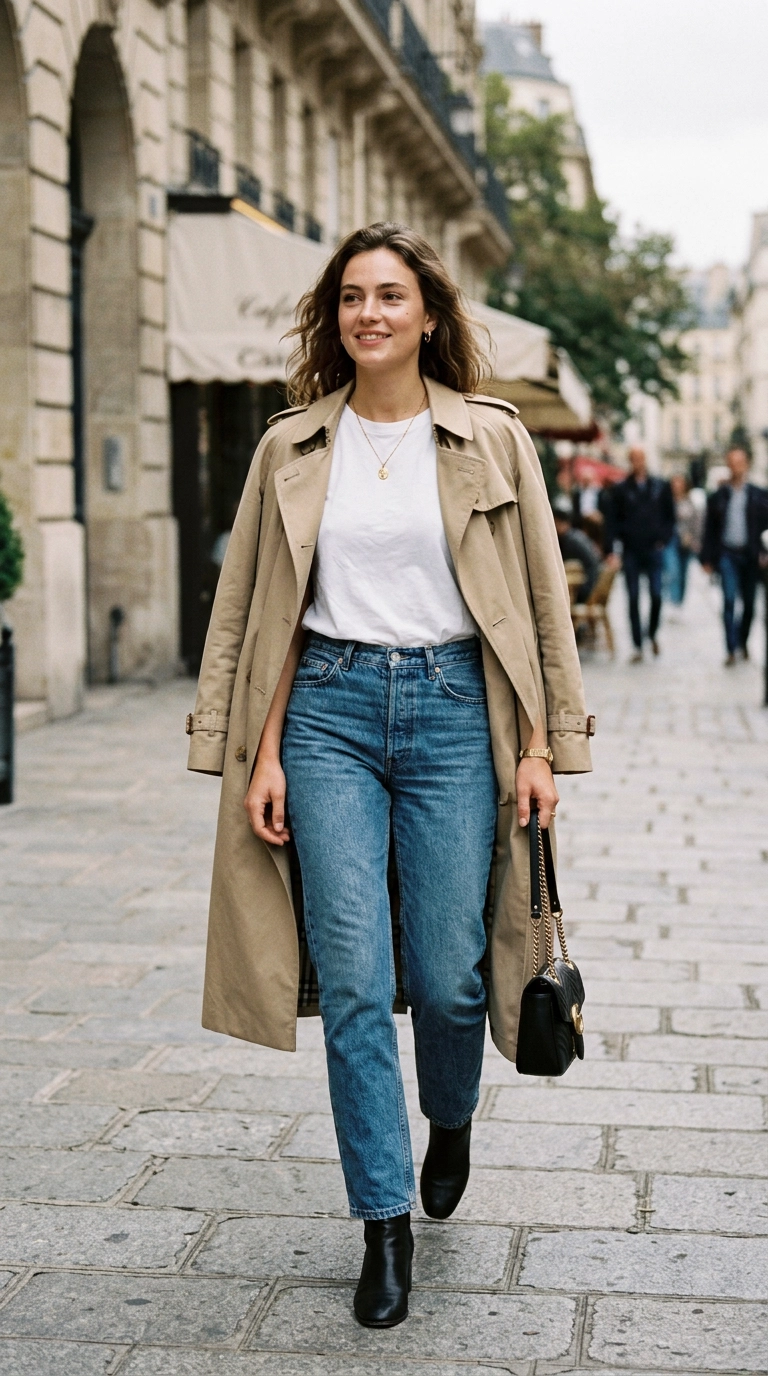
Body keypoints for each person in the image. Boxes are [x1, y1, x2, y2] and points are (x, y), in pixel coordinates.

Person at [185, 223, 593, 1329]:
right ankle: (381, 1223)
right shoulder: (290, 447)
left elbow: (542, 604)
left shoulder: (492, 437)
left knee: (454, 973)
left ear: (425, 314)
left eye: (392, 295)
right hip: (326, 716)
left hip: (460, 713)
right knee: (359, 980)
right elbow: (264, 611)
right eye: (354, 296)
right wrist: (259, 750)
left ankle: (449, 1115)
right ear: (335, 318)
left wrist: (547, 744)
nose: (372, 313)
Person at [605, 447, 675, 662]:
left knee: (656, 595)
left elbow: (669, 517)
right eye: (633, 459)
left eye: (640, 458)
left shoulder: (660, 487)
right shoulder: (621, 490)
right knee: (633, 597)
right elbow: (612, 522)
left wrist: (663, 538)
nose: (637, 462)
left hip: (654, 549)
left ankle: (651, 633)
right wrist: (611, 550)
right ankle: (637, 644)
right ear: (630, 461)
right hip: (631, 550)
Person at [700, 447, 768, 665]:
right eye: (732, 462)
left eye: (739, 462)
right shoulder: (718, 496)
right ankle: (730, 649)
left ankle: (742, 641)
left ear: (746, 464)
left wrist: (764, 552)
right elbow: (709, 529)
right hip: (727, 554)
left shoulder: (759, 495)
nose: (735, 467)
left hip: (750, 555)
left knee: (749, 604)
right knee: (728, 601)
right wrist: (707, 558)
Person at [552, 493, 601, 600]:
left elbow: (592, 565)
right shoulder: (574, 537)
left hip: (585, 590)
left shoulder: (572, 541)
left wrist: (583, 592)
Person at [664, 474, 703, 606]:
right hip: (670, 539)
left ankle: (679, 600)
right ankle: (673, 600)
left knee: (683, 572)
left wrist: (694, 538)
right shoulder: (667, 501)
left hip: (686, 541)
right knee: (672, 570)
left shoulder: (690, 501)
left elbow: (697, 522)